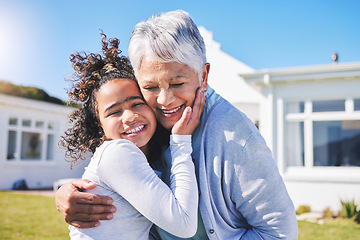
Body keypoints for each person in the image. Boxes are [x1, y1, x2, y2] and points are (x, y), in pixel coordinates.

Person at [56, 10, 299, 239]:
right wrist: (69, 192)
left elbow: (279, 233)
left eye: (177, 83)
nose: (165, 100)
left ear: (203, 76)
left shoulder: (235, 135)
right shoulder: (146, 122)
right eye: (150, 87)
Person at [59, 32, 203, 239]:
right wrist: (181, 142)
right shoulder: (118, 152)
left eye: (137, 103)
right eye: (114, 112)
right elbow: (184, 225)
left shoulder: (144, 157)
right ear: (99, 125)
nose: (129, 116)